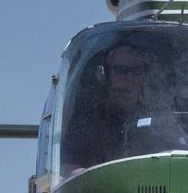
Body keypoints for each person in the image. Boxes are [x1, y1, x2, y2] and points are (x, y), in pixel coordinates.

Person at [61, 43, 151, 175]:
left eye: (136, 72)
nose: (129, 78)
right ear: (105, 75)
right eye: (121, 70)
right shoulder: (87, 120)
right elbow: (67, 165)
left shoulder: (157, 118)